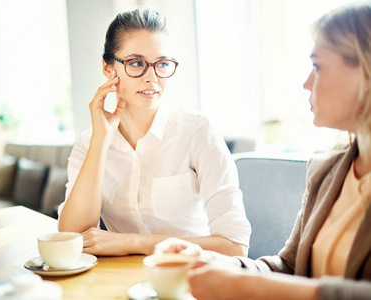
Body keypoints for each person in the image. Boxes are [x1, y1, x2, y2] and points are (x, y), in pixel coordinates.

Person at [154, 2, 371, 299]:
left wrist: (253, 287)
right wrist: (215, 262)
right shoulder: (329, 168)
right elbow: (289, 266)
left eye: (318, 66)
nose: (307, 83)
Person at [57, 6, 251, 257]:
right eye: (136, 63)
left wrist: (129, 243)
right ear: (108, 68)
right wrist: (101, 140)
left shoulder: (197, 132)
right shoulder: (90, 142)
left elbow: (235, 247)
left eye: (162, 64)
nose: (152, 77)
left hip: (193, 278)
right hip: (125, 282)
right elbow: (72, 238)